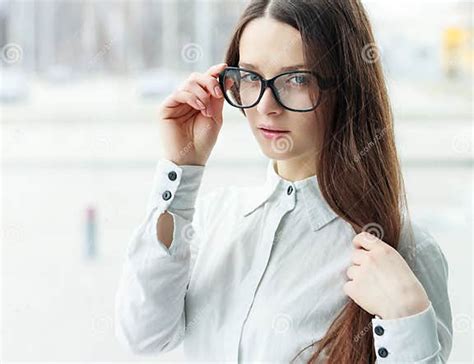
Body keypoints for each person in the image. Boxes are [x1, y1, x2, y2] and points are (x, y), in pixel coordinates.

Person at [115, 0, 453, 362]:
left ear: (345, 86)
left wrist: (406, 317)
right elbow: (144, 336)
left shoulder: (402, 249)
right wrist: (181, 169)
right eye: (249, 77)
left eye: (295, 79)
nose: (265, 106)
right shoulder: (212, 218)